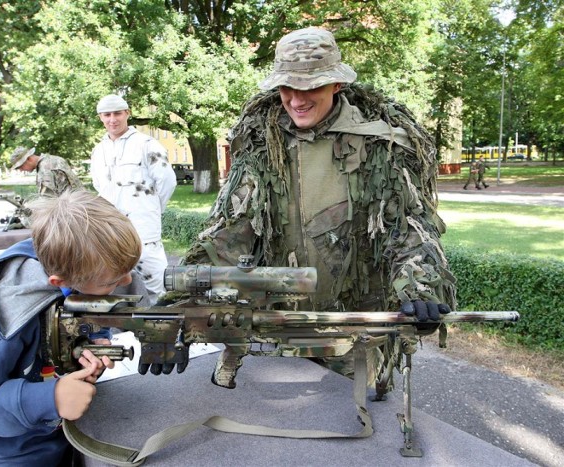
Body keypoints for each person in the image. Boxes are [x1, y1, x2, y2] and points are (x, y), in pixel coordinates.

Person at [183, 27, 456, 388]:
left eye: (310, 87)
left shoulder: (380, 146)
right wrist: (186, 303)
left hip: (352, 339)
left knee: (357, 431)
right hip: (271, 334)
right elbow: (231, 231)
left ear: (336, 85)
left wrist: (420, 289)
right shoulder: (262, 144)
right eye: (286, 87)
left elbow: (409, 231)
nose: (296, 100)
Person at [0, 190, 147, 465]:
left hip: (56, 437)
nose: (127, 280)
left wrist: (84, 348)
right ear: (57, 280)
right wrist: (50, 397)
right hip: (5, 454)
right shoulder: (11, 318)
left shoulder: (79, 276)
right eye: (111, 282)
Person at [91, 94, 177, 304]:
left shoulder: (146, 145)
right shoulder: (98, 151)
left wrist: (152, 209)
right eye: (107, 115)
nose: (113, 119)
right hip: (112, 229)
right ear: (101, 117)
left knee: (156, 280)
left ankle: (167, 326)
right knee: (115, 281)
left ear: (127, 114)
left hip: (143, 228)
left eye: (117, 113)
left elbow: (167, 181)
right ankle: (127, 331)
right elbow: (99, 187)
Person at [10, 146, 84, 196]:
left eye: (21, 166)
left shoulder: (44, 169)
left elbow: (46, 200)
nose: (21, 170)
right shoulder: (55, 159)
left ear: (29, 159)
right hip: (81, 202)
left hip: (70, 210)